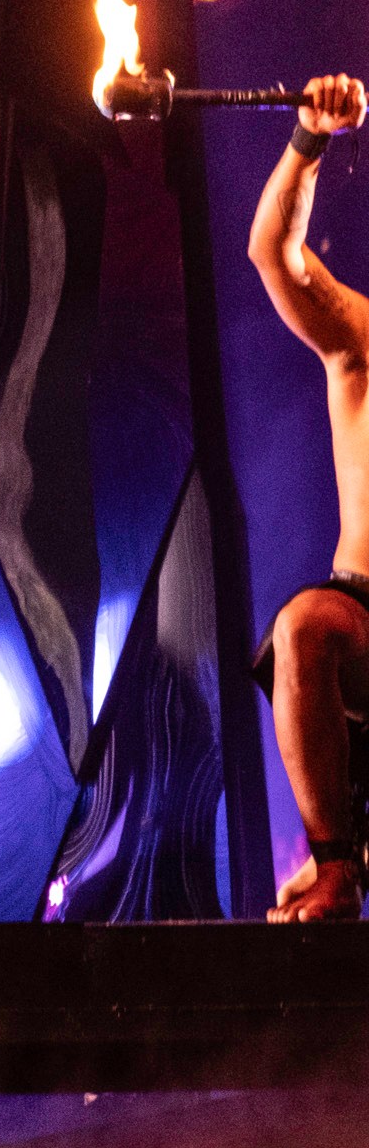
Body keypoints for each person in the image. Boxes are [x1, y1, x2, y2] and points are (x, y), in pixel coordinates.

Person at [247, 76, 369, 921]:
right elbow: (274, 256)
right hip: (367, 619)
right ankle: (335, 868)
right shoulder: (362, 335)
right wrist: (309, 141)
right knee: (305, 628)